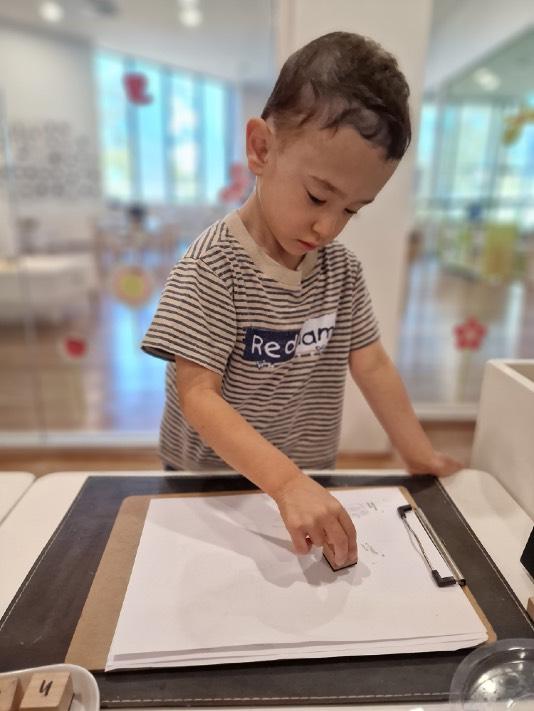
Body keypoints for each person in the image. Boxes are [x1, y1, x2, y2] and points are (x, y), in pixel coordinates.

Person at [141, 31, 462, 569]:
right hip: (210, 481)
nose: (328, 227)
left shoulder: (341, 271)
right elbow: (199, 396)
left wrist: (417, 452)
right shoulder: (212, 267)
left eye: (352, 210)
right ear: (262, 149)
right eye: (317, 196)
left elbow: (372, 364)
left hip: (306, 476)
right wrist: (284, 482)